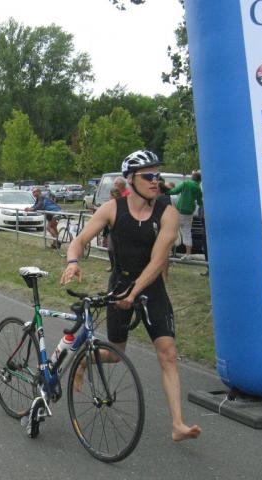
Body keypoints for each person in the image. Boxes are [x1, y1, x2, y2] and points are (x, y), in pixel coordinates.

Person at [61, 149, 201, 443]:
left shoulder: (167, 213)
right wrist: (73, 262)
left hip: (151, 288)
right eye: (148, 176)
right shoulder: (112, 209)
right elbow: (80, 240)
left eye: (157, 175)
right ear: (130, 179)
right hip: (120, 285)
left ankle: (178, 424)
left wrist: (135, 292)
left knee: (169, 353)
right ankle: (84, 361)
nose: (155, 181)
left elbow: (158, 261)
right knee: (114, 354)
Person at [167, 171, 203, 261]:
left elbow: (174, 191)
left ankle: (168, 252)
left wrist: (166, 191)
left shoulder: (186, 183)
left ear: (192, 178)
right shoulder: (198, 188)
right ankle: (188, 254)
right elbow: (200, 201)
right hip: (189, 213)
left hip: (180, 211)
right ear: (199, 180)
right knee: (187, 233)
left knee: (172, 231)